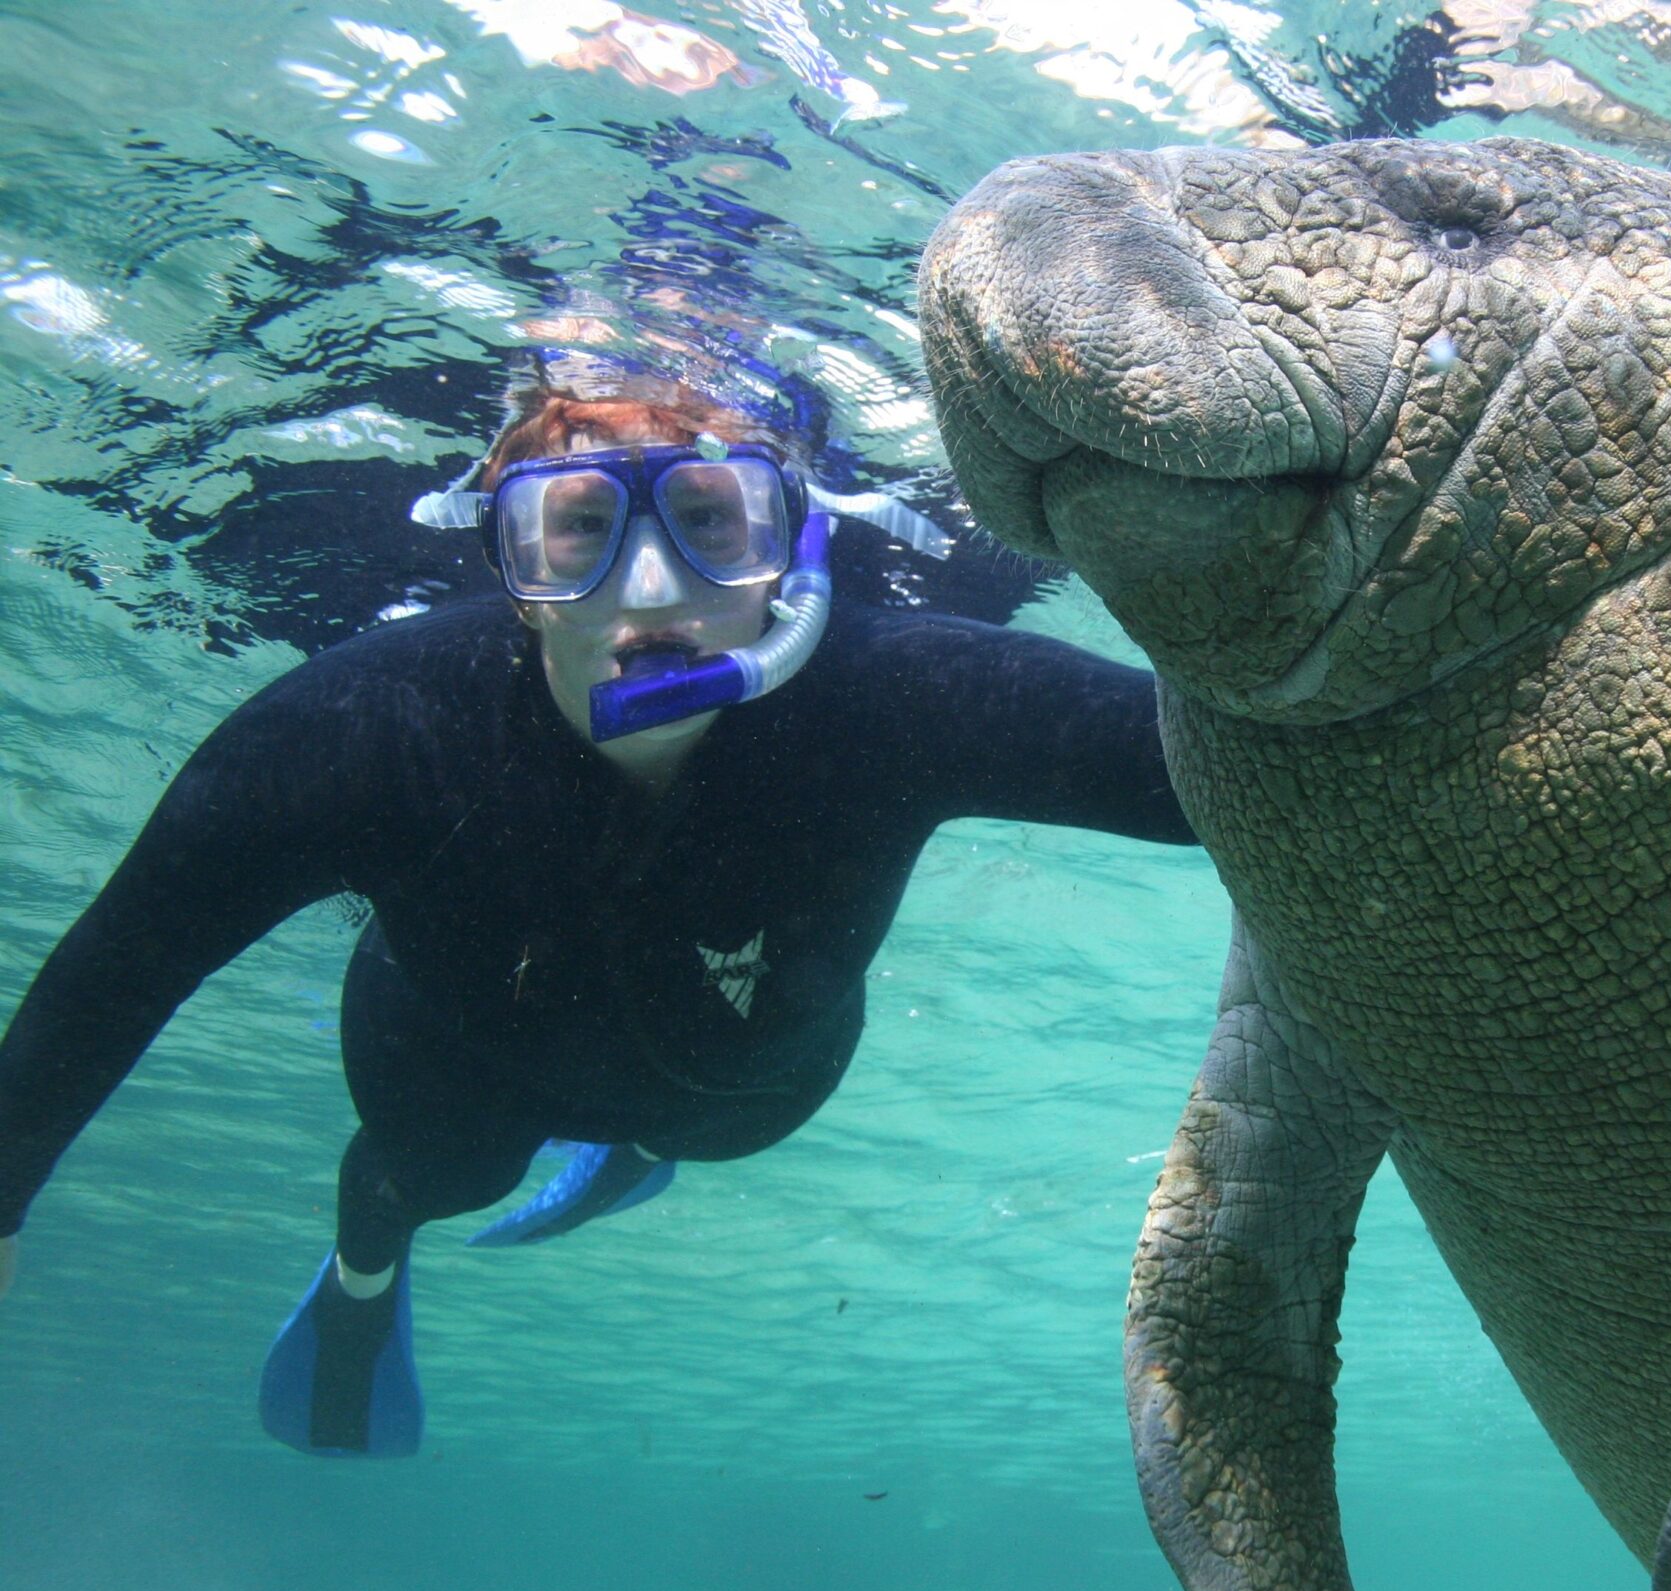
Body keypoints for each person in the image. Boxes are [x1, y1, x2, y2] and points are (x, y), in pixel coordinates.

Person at [0, 358, 1195, 1456]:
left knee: (715, 1128)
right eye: (576, 533)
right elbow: (126, 962)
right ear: (513, 577)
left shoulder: (900, 696)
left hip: (743, 1088)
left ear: (792, 555)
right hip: (452, 1059)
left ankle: (630, 1151)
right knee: (419, 1179)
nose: (652, 586)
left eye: (711, 523)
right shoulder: (374, 729)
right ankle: (363, 1284)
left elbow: (1233, 777)